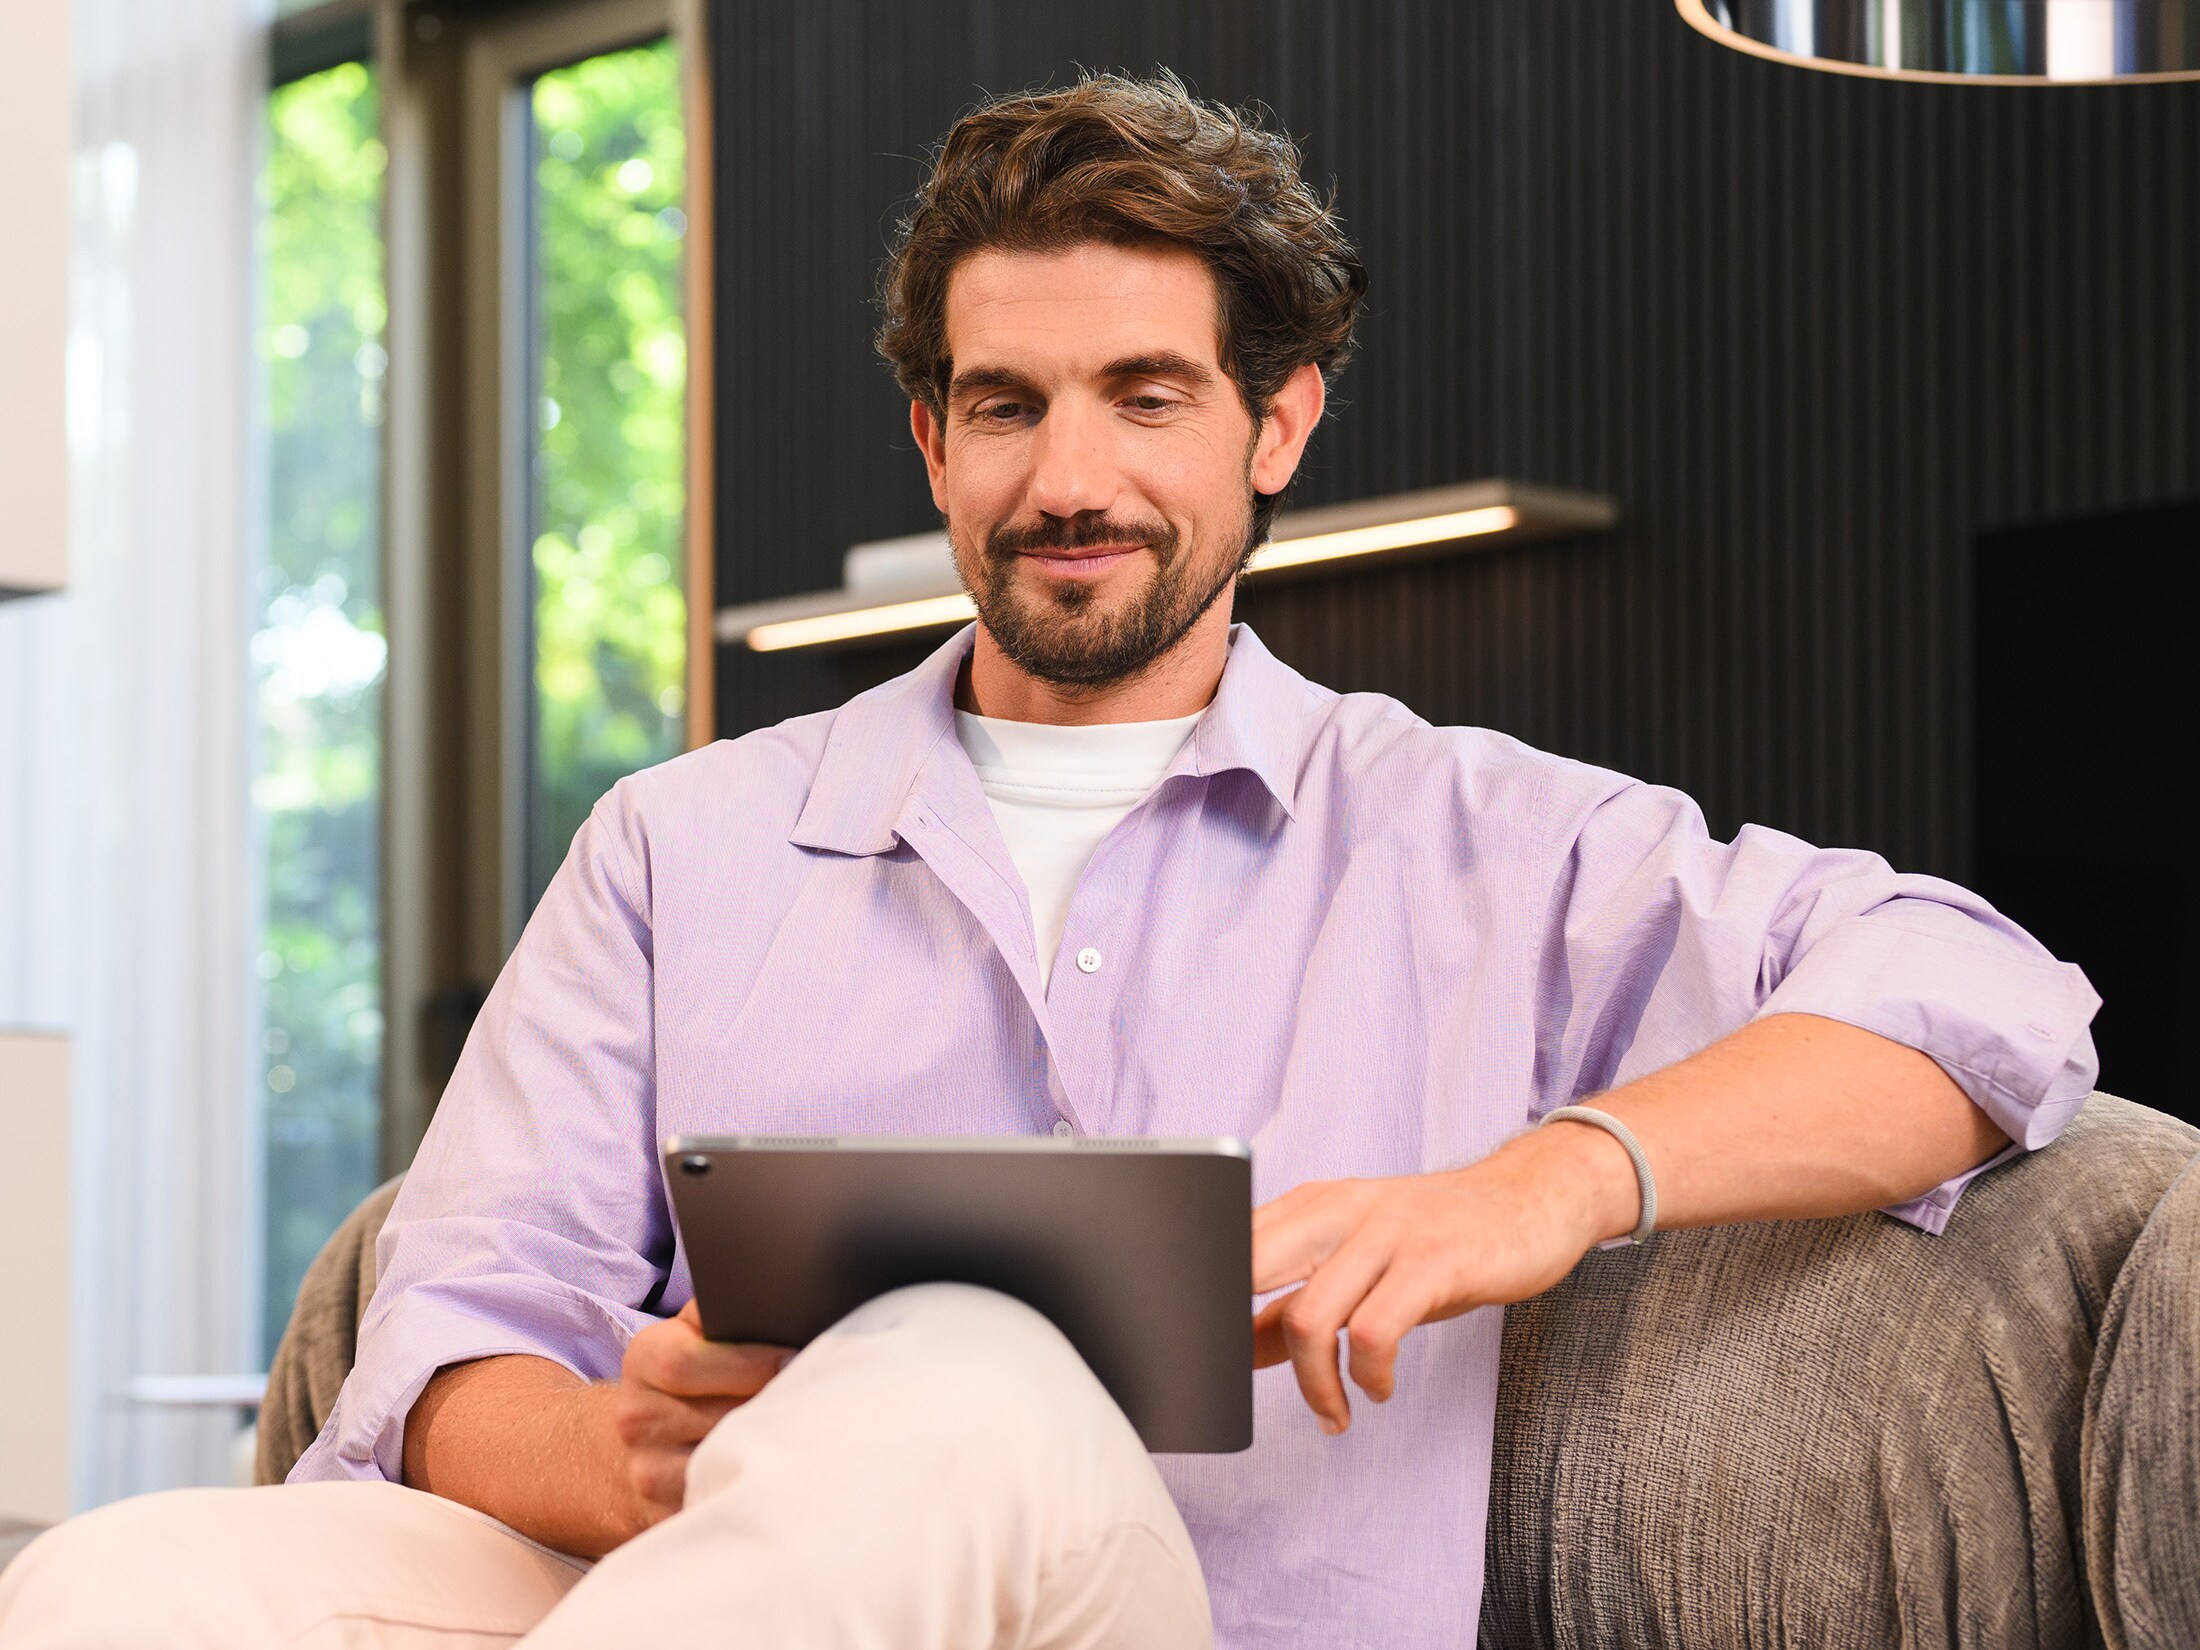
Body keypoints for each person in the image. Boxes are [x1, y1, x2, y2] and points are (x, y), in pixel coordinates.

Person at [0, 70, 2098, 1650]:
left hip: (1160, 1616)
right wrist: (636, 1453)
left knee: (949, 1355)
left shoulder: (1480, 833)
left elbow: (1983, 995)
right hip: (706, 1577)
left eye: (1143, 395)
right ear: (932, 443)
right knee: (121, 1582)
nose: (1065, 474)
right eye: (1001, 404)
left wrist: (1540, 1183)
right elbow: (452, 1329)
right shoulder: (682, 842)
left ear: (1274, 427)